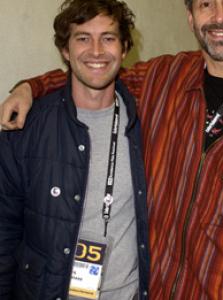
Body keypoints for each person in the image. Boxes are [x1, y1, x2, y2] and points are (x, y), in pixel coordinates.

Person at [1, 0, 223, 298]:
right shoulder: (165, 79)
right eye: (206, 5)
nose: (218, 17)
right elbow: (97, 76)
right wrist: (30, 88)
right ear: (190, 17)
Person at [0, 0, 150, 299]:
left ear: (123, 48)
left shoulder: (148, 120)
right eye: (83, 38)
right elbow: (3, 232)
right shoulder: (27, 129)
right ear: (65, 51)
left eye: (108, 38)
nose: (96, 51)